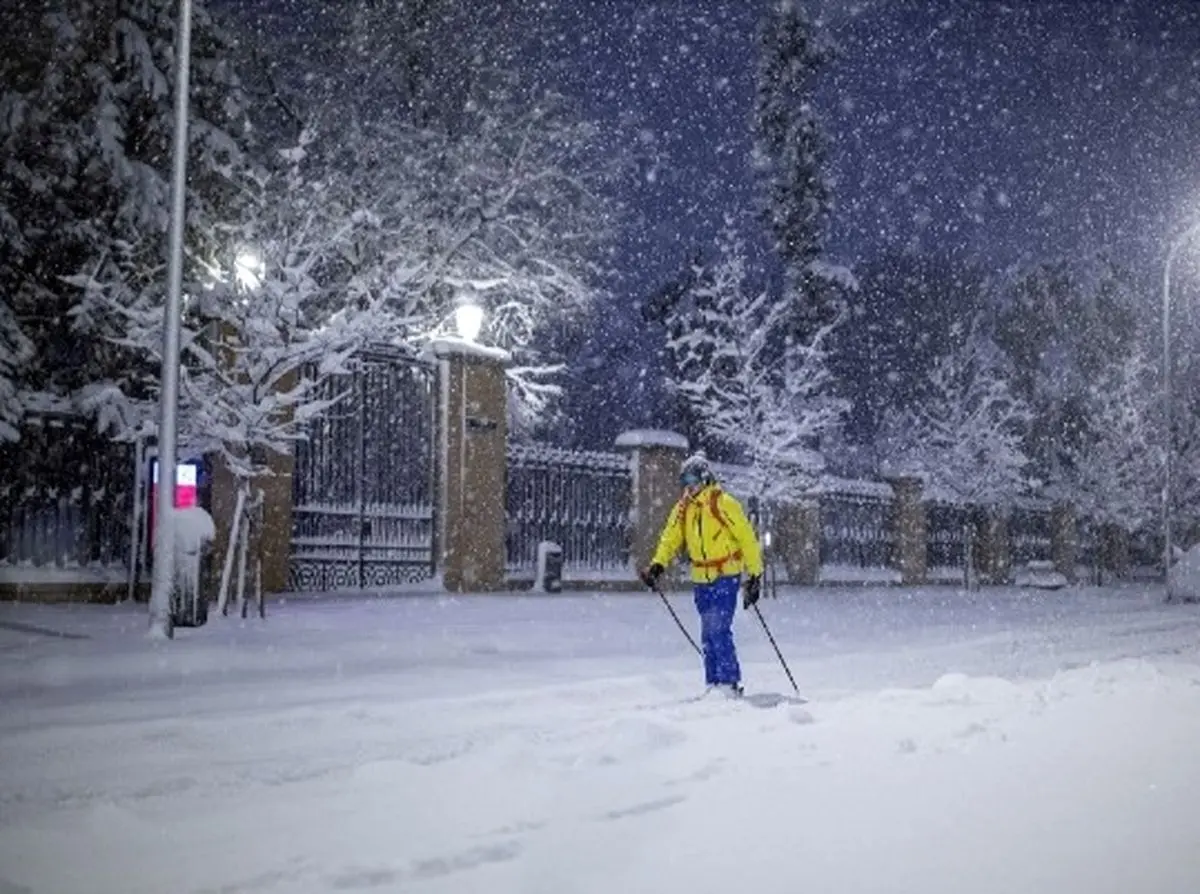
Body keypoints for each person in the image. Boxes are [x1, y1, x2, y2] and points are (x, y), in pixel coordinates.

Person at [639, 452, 763, 696]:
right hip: (700, 578)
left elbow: (746, 538)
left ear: (705, 479)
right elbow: (670, 538)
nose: (689, 487)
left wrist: (755, 575)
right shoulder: (684, 508)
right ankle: (713, 684)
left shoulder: (723, 503)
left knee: (719, 629)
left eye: (693, 480)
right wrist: (657, 565)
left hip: (725, 575)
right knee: (707, 632)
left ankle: (729, 683)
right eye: (685, 481)